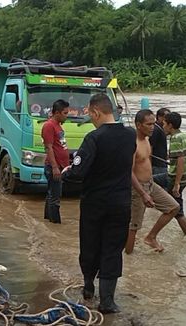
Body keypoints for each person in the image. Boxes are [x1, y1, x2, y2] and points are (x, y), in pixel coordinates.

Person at [62, 93, 136, 314]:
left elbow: (78, 171)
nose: (91, 120)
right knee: (113, 249)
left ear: (96, 112)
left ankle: (88, 289)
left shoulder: (94, 138)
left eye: (90, 115)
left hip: (95, 203)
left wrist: (67, 173)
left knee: (90, 245)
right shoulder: (130, 135)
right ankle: (108, 302)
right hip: (121, 202)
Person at [125, 109, 180, 253]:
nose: (152, 127)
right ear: (138, 125)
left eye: (154, 124)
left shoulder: (147, 140)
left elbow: (147, 162)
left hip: (150, 184)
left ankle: (151, 237)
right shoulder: (133, 144)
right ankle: (128, 261)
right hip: (138, 189)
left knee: (173, 207)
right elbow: (128, 172)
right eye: (148, 124)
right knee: (134, 227)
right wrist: (143, 194)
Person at [42, 99, 69, 224]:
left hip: (60, 166)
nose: (67, 116)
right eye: (65, 113)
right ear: (57, 113)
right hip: (54, 166)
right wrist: (54, 167)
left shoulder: (57, 125)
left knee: (52, 194)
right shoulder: (49, 126)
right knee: (55, 198)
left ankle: (48, 220)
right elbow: (49, 147)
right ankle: (55, 224)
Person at [149, 108, 170, 189]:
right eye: (165, 117)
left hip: (162, 162)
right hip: (157, 165)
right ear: (159, 117)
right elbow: (150, 148)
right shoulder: (155, 130)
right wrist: (149, 166)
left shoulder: (162, 129)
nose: (167, 119)